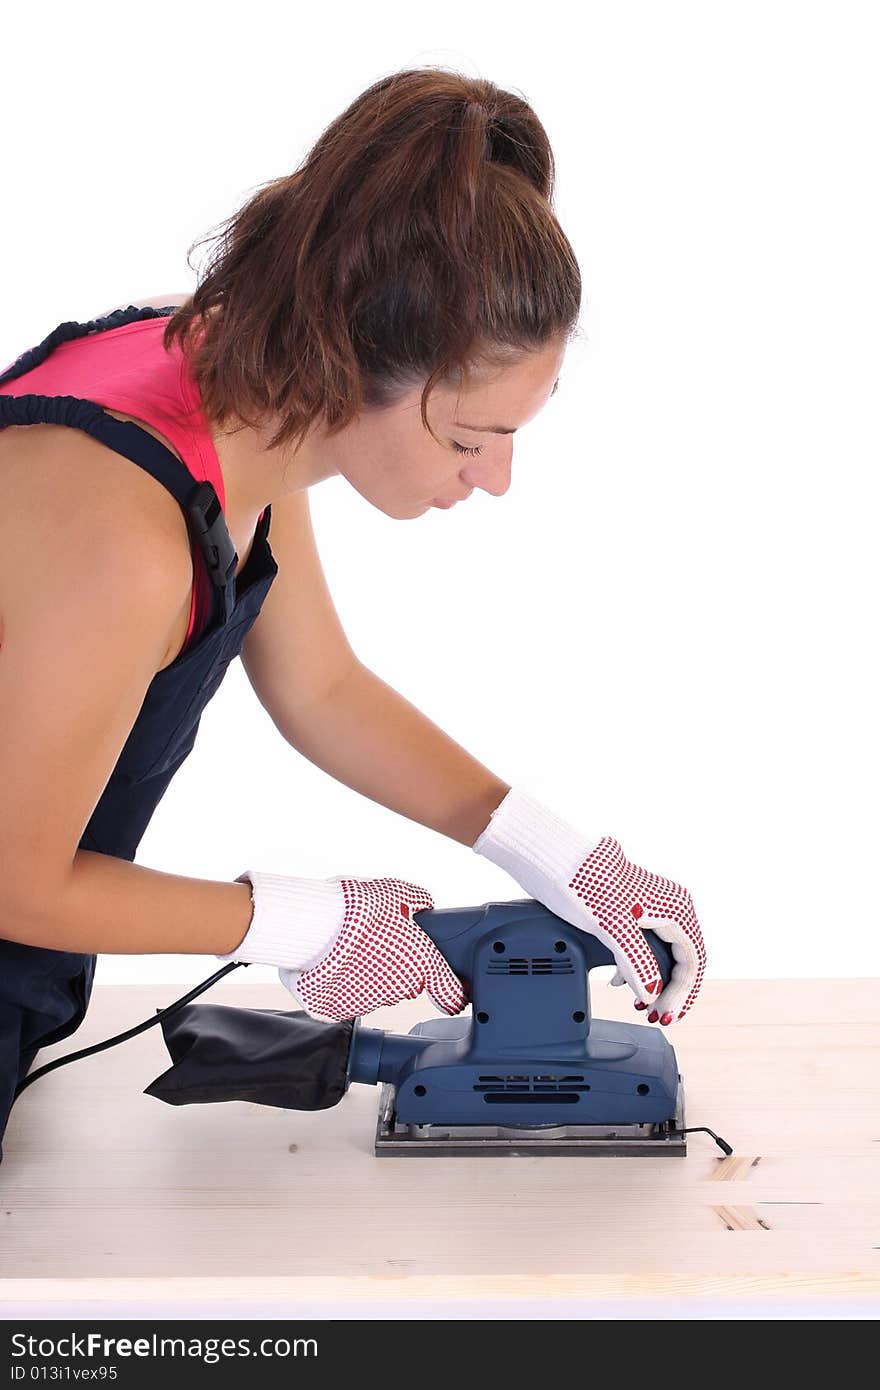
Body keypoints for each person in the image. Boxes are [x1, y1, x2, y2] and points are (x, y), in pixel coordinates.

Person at [0, 68, 705, 1161]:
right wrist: (305, 921)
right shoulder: (121, 535)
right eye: (470, 437)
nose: (496, 478)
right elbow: (14, 874)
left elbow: (320, 685)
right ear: (349, 363)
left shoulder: (234, 385)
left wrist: (550, 851)